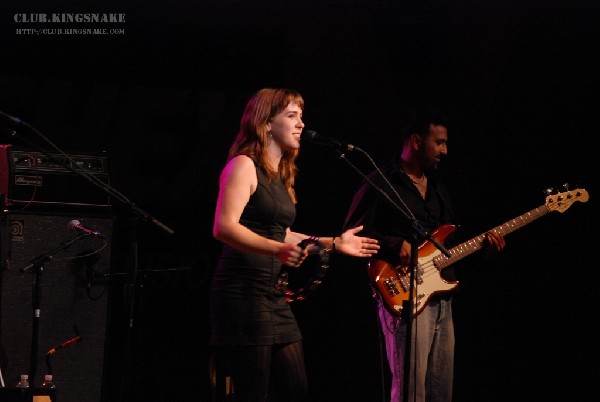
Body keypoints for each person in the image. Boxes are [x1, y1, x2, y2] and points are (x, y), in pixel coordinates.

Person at [209, 87, 380, 402]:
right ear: (267, 123)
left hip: (272, 294)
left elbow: (282, 234)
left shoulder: (279, 175)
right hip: (243, 293)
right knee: (253, 393)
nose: (301, 123)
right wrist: (277, 250)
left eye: (301, 116)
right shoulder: (244, 165)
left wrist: (333, 243)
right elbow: (223, 227)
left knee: (294, 386)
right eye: (291, 116)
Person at [343, 109, 506, 402]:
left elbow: (449, 245)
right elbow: (350, 234)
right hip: (404, 294)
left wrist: (486, 249)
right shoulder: (381, 181)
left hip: (441, 299)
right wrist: (395, 244)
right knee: (410, 391)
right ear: (417, 141)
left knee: (440, 391)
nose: (445, 151)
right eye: (439, 142)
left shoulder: (438, 188)